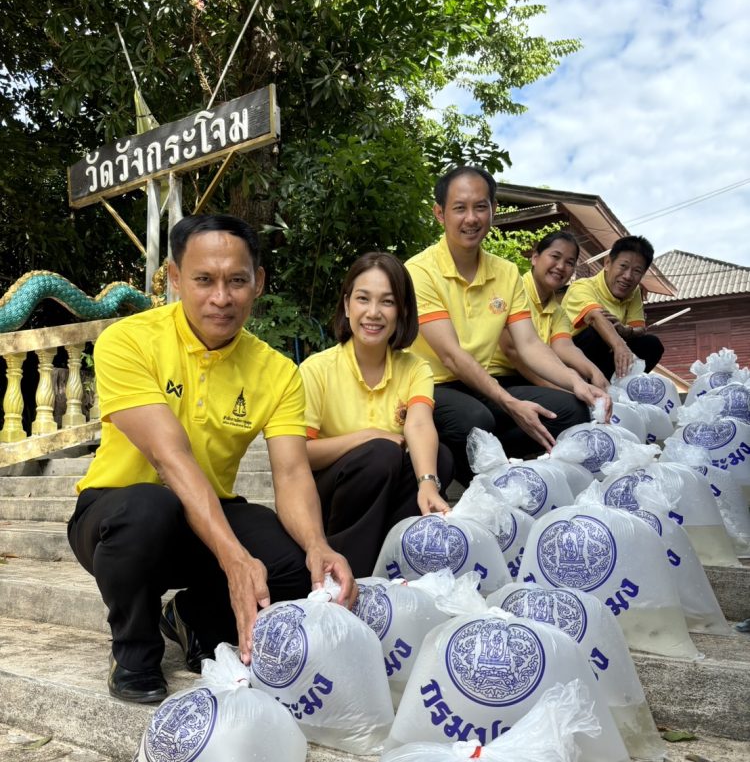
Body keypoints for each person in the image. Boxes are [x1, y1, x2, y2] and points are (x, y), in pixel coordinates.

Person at [67, 214, 355, 704]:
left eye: (236, 281)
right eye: (204, 280)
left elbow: (291, 473)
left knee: (290, 565)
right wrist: (235, 559)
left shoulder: (278, 372)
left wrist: (316, 546)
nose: (221, 298)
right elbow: (169, 457)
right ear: (175, 279)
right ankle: (134, 650)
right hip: (116, 516)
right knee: (150, 507)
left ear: (257, 282)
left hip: (208, 514)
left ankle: (192, 616)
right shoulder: (128, 340)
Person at [405, 166, 610, 486]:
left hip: (480, 382)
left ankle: (498, 465)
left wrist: (575, 382)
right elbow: (451, 356)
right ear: (440, 214)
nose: (471, 218)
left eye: (480, 207)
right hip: (430, 385)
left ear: (493, 209)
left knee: (572, 408)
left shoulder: (506, 272)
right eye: (459, 208)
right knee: (476, 419)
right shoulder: (419, 271)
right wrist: (509, 402)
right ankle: (460, 468)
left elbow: (529, 344)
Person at [300, 251, 453, 576]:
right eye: (363, 299)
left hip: (385, 493)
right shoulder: (316, 370)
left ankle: (395, 565)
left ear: (403, 310)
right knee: (380, 453)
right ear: (347, 305)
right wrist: (368, 436)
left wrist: (428, 483)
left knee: (439, 458)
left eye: (387, 302)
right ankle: (347, 572)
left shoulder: (415, 368)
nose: (373, 312)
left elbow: (419, 424)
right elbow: (301, 454)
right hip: (329, 503)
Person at [495, 230, 610, 391]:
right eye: (555, 256)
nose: (561, 267)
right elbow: (512, 351)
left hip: (529, 379)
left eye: (569, 263)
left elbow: (564, 347)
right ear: (535, 258)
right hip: (498, 378)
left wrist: (594, 372)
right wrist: (563, 389)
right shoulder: (512, 289)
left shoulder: (558, 312)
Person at [561, 234, 664, 379]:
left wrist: (627, 331)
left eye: (637, 271)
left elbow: (640, 329)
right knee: (598, 331)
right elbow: (595, 317)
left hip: (608, 358)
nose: (628, 276)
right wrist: (620, 345)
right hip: (571, 358)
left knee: (652, 344)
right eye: (623, 266)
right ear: (608, 263)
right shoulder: (582, 286)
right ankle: (585, 383)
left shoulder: (633, 291)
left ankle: (621, 385)